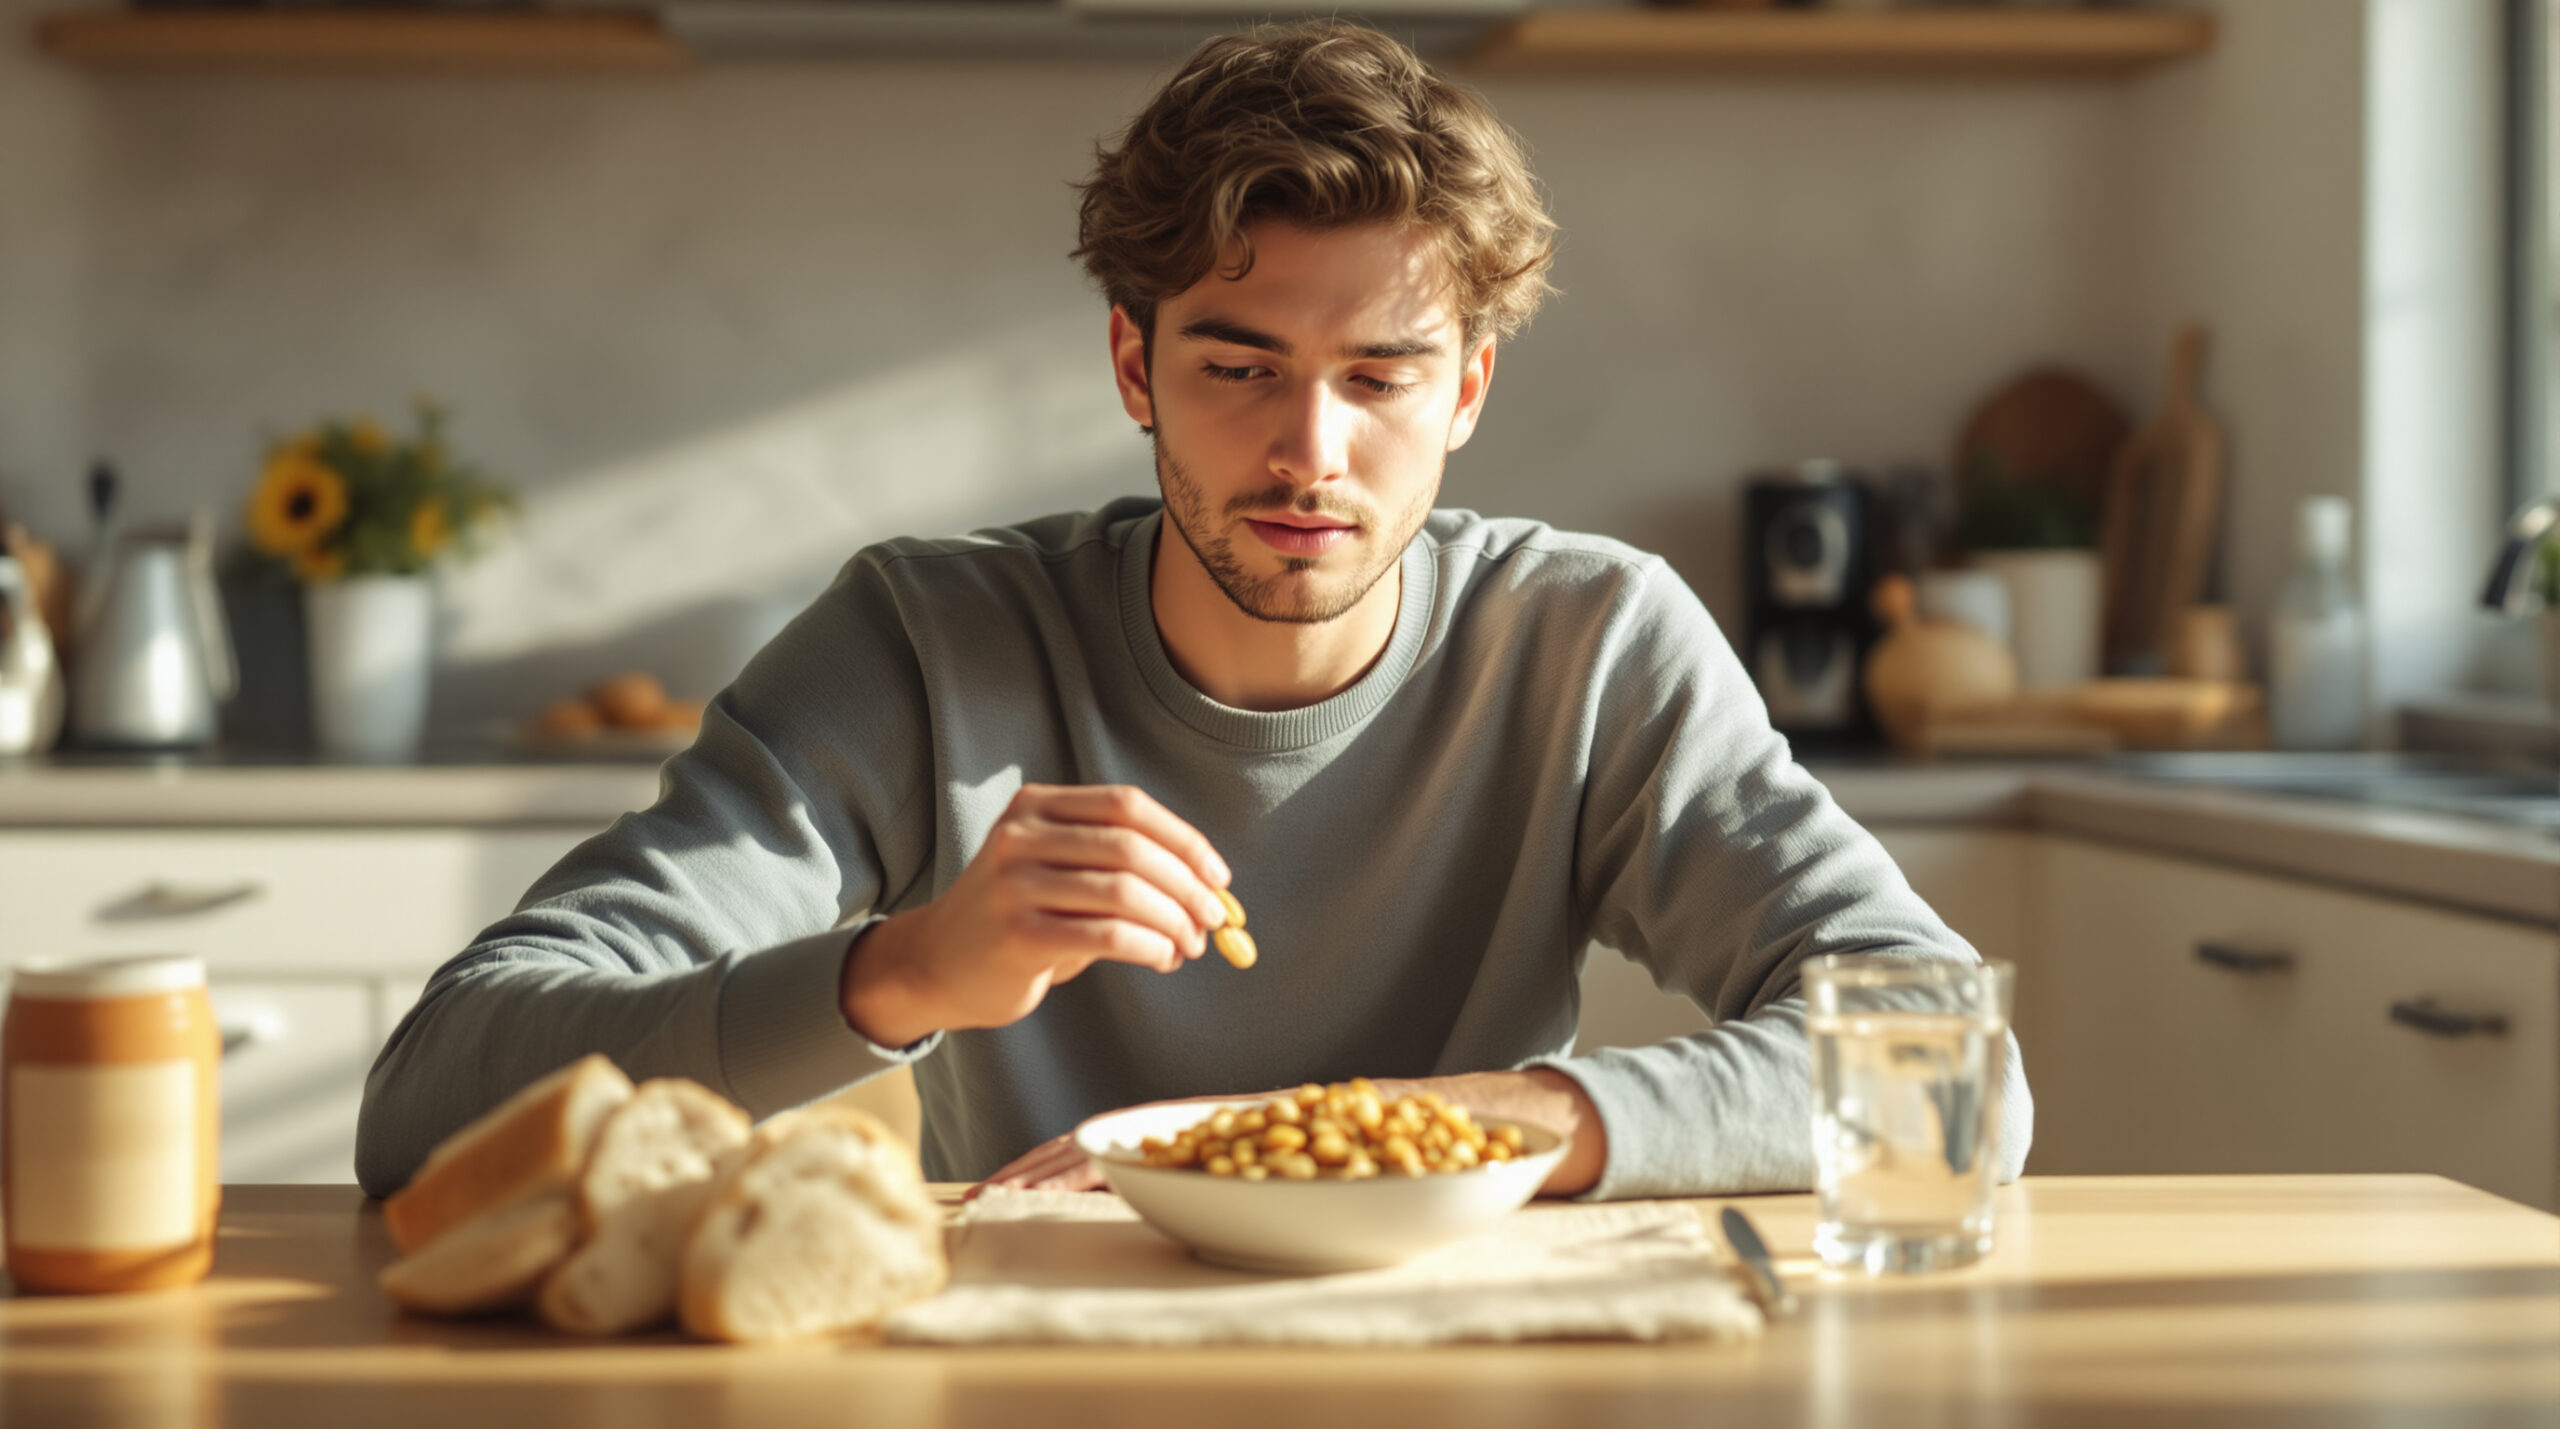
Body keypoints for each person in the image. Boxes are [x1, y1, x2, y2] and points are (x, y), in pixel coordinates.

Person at [356, 19, 2030, 1202]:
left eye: (1381, 376)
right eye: (1239, 367)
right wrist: (902, 970)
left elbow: (1949, 1063)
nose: (1311, 451)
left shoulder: (1587, 643)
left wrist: (1444, 1130)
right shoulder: (926, 644)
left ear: (1467, 390)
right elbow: (428, 1101)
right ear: (1133, 364)